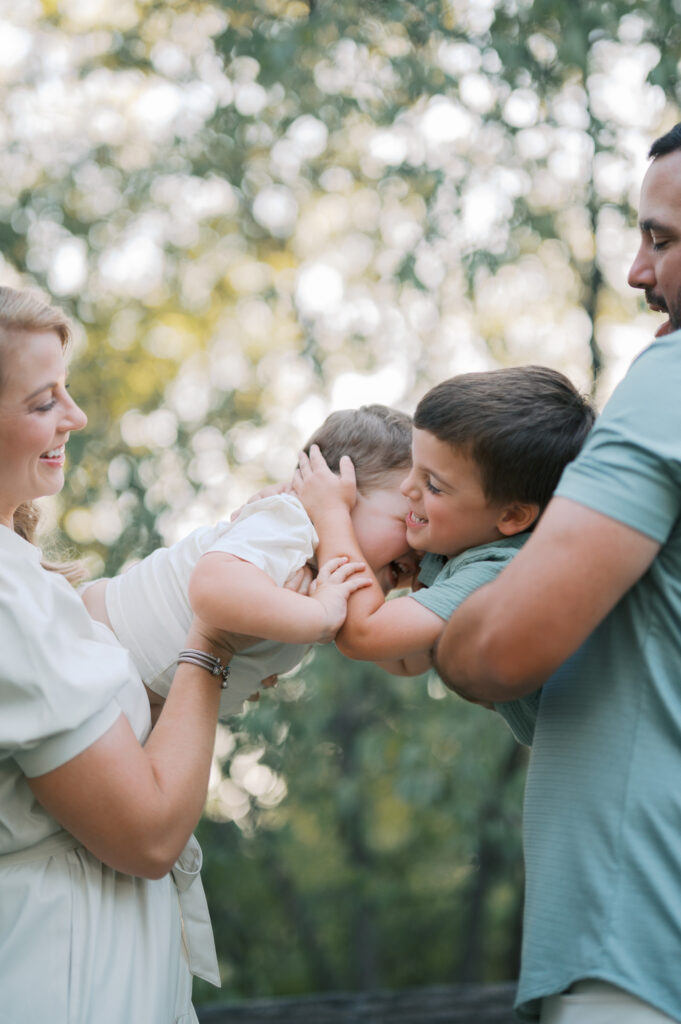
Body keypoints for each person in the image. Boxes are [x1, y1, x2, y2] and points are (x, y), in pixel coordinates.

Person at [432, 123, 681, 1023]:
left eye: (662, 240)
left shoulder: (669, 381)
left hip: (639, 942)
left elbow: (499, 649)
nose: (637, 271)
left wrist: (449, 593)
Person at [0, 285, 252, 1024]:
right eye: (43, 401)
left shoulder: (24, 576)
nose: (75, 416)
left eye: (66, 389)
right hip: (61, 973)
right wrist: (211, 643)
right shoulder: (6, 599)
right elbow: (148, 833)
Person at [293, 366, 594, 746]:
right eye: (414, 469)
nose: (408, 488)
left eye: (432, 484)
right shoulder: (458, 551)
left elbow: (364, 633)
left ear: (512, 517)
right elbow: (406, 659)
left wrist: (330, 515)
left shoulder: (500, 571)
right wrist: (290, 511)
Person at [81, 405, 419, 719]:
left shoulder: (330, 586)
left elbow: (404, 655)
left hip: (129, 698)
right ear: (335, 491)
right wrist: (319, 614)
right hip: (92, 642)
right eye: (411, 518)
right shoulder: (292, 522)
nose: (419, 545)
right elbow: (211, 588)